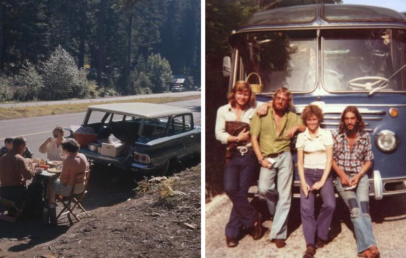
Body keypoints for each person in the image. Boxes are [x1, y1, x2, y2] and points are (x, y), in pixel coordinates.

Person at [215, 81, 269, 247]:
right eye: (239, 93)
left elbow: (275, 102)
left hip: (249, 155)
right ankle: (253, 218)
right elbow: (219, 134)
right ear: (234, 93)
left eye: (246, 94)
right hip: (232, 154)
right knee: (230, 189)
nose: (242, 96)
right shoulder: (223, 110)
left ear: (249, 95)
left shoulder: (254, 107)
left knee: (241, 192)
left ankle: (232, 232)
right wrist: (237, 139)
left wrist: (266, 106)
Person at [250, 87, 306, 248]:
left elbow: (306, 127)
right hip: (267, 158)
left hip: (285, 156)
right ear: (273, 99)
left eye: (284, 99)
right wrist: (261, 160)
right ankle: (276, 213)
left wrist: (296, 128)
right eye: (278, 98)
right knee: (264, 189)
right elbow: (254, 139)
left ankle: (279, 234)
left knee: (285, 196)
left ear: (288, 102)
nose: (280, 101)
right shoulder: (261, 114)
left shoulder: (292, 116)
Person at [332, 106, 379, 258]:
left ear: (357, 120)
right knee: (355, 209)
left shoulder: (365, 137)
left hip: (359, 176)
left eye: (352, 118)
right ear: (343, 121)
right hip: (342, 178)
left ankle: (364, 249)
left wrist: (358, 176)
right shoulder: (338, 137)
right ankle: (371, 246)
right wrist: (342, 174)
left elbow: (369, 160)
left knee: (364, 210)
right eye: (347, 119)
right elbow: (331, 160)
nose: (350, 121)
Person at [296, 105, 335, 258]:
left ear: (318, 119)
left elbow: (330, 160)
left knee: (330, 204)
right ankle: (310, 245)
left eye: (314, 119)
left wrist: (322, 181)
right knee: (306, 209)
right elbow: (299, 162)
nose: (311, 122)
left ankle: (321, 234)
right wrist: (303, 182)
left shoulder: (326, 134)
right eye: (309, 120)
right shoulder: (301, 137)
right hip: (307, 173)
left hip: (323, 173)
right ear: (305, 120)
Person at [47, 138, 89, 224]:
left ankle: (51, 208)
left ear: (66, 149)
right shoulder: (82, 156)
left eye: (63, 148)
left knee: (50, 183)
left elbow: (63, 180)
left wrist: (57, 178)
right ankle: (54, 206)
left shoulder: (69, 160)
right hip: (82, 187)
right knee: (55, 182)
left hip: (70, 190)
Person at [0, 137, 35, 208]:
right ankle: (35, 212)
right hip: (16, 193)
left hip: (3, 192)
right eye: (25, 147)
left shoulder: (3, 158)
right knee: (37, 187)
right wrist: (33, 168)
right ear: (22, 145)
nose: (25, 149)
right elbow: (28, 176)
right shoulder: (19, 159)